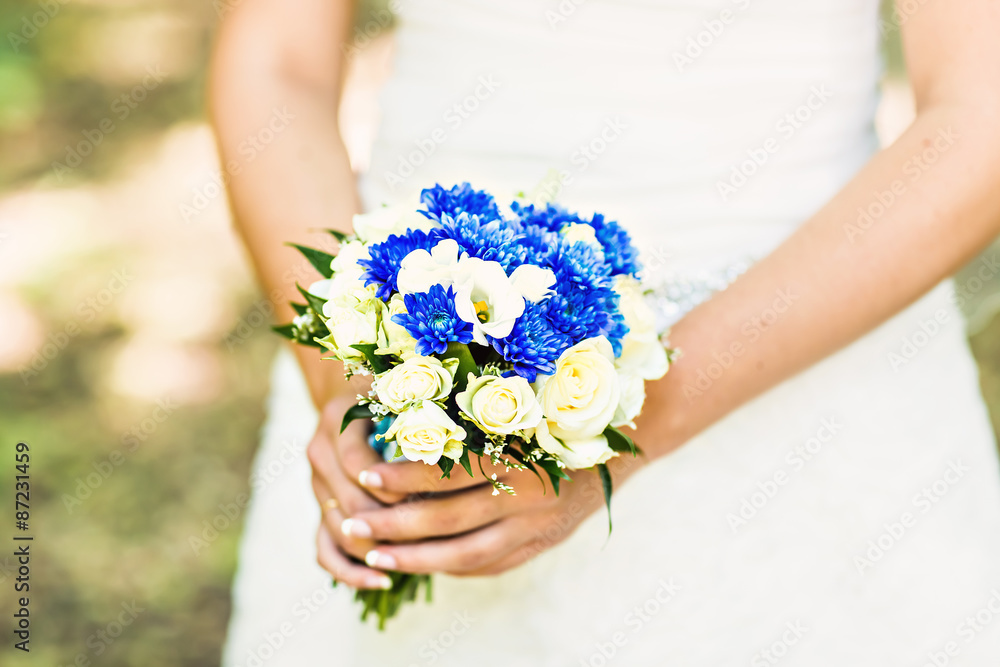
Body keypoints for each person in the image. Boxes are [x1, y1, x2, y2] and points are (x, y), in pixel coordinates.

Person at [211, 0, 1000, 664]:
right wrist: (358, 378)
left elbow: (981, 110)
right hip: (412, 349)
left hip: (810, 360)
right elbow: (278, 58)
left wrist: (628, 417)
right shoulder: (376, 391)